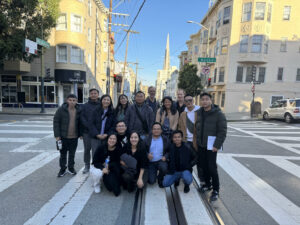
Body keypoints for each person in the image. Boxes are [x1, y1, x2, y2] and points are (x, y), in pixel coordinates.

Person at [195, 93, 227, 201]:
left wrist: (216, 145)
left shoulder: (218, 114)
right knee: (203, 167)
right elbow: (197, 128)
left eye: (206, 99)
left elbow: (222, 131)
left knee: (212, 168)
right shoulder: (199, 113)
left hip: (211, 146)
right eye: (202, 99)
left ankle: (216, 190)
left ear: (211, 100)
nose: (204, 101)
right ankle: (207, 185)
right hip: (201, 145)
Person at [53, 94, 82, 177]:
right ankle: (62, 169)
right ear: (67, 100)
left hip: (74, 137)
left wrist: (80, 134)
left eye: (74, 100)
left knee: (72, 154)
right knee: (63, 155)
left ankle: (71, 168)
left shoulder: (79, 110)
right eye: (70, 100)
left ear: (76, 101)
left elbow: (81, 123)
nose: (72, 102)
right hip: (63, 137)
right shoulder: (61, 110)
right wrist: (57, 135)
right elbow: (56, 122)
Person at [178, 94, 202, 181]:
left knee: (199, 162)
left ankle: (202, 181)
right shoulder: (183, 114)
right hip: (186, 141)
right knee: (187, 160)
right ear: (184, 102)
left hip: (197, 141)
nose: (188, 102)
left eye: (190, 100)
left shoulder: (199, 112)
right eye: (186, 101)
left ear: (193, 100)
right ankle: (187, 179)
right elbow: (180, 127)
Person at [80, 88, 100, 174]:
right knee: (87, 149)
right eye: (92, 93)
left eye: (95, 93)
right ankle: (87, 165)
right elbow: (82, 118)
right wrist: (89, 127)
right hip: (86, 132)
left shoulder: (101, 105)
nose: (93, 95)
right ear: (89, 95)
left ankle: (95, 165)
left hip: (96, 132)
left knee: (95, 150)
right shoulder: (84, 106)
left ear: (98, 95)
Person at [145, 123, 169, 187]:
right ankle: (153, 174)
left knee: (164, 168)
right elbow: (142, 150)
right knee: (151, 181)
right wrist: (147, 155)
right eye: (154, 129)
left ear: (161, 130)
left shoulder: (165, 139)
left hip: (161, 161)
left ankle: (160, 177)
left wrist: (166, 156)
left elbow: (169, 151)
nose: (156, 130)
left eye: (158, 129)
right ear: (152, 130)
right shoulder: (147, 139)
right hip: (151, 163)